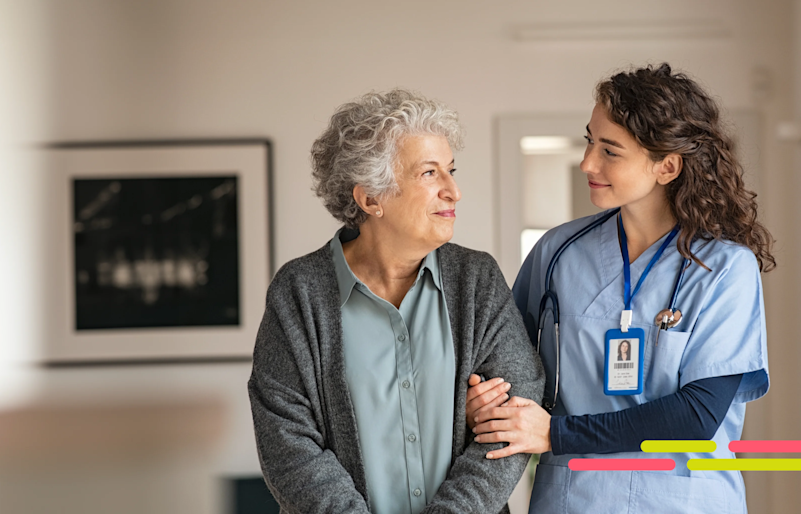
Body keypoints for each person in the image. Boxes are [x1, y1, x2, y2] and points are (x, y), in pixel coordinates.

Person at [466, 64, 772, 513]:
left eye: (610, 150)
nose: (587, 162)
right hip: (572, 500)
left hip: (681, 501)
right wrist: (485, 403)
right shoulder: (557, 252)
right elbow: (505, 367)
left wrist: (556, 433)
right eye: (590, 140)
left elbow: (698, 415)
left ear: (666, 166)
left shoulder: (724, 269)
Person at [248, 88, 545, 514]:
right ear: (370, 198)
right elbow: (288, 445)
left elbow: (515, 416)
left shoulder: (476, 280)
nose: (453, 191)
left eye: (451, 170)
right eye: (429, 173)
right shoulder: (299, 292)